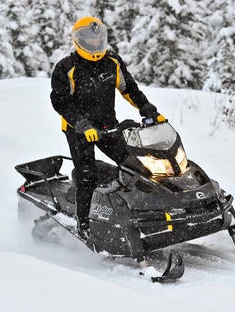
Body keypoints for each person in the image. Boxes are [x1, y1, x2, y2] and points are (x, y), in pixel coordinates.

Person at [50, 16, 165, 239]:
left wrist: (147, 109)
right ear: (78, 41)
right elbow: (61, 101)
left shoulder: (112, 61)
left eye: (97, 39)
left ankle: (143, 211)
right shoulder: (66, 67)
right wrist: (82, 124)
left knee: (134, 165)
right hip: (78, 130)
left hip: (108, 126)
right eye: (88, 40)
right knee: (87, 175)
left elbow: (129, 88)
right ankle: (83, 225)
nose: (94, 44)